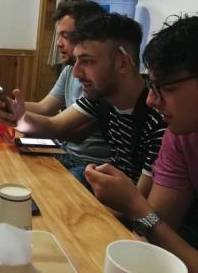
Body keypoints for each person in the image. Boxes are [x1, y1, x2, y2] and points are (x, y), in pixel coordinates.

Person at [0, 13, 166, 196]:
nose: (76, 73)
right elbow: (55, 125)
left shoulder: (158, 120)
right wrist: (18, 117)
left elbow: (139, 207)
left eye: (87, 61)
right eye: (76, 61)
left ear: (123, 64)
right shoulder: (101, 98)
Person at [85, 16, 198, 272]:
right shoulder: (179, 135)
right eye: (152, 86)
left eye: (166, 88)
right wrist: (135, 207)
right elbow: (156, 233)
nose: (151, 101)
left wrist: (135, 204)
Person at [0, 1, 110, 183]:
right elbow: (44, 108)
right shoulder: (69, 71)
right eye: (58, 36)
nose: (58, 44)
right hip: (66, 152)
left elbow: (60, 128)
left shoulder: (100, 83)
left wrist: (17, 117)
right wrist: (8, 104)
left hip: (89, 164)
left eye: (65, 36)